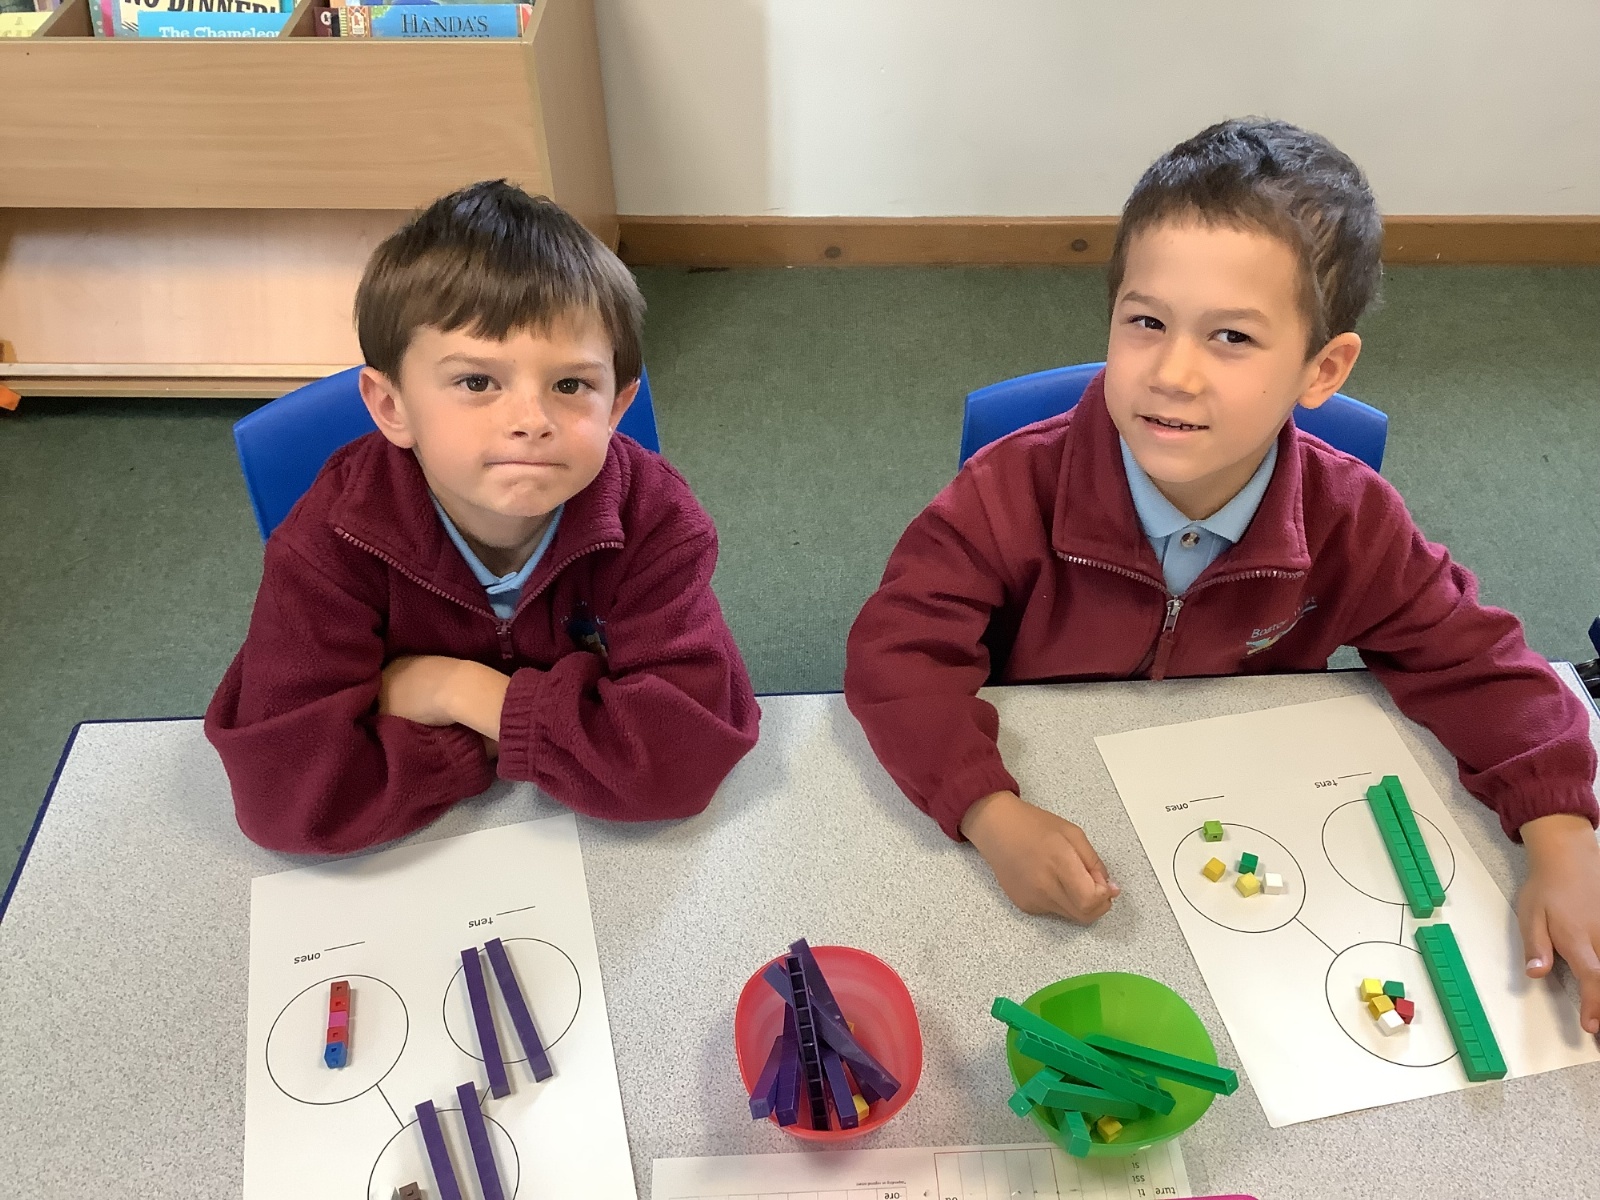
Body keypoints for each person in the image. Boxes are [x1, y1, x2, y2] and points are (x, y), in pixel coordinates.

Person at [844, 118, 1600, 1033]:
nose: (1173, 372)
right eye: (1146, 322)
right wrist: (987, 809)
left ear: (1323, 368)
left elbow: (1480, 662)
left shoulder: (1351, 520)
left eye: (1232, 337)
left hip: (1240, 823)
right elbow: (895, 655)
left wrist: (1562, 834)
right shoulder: (1006, 491)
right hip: (1051, 790)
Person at [207, 180, 759, 854]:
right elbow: (289, 801)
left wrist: (458, 694)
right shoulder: (329, 542)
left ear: (616, 407)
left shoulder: (657, 520)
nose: (531, 420)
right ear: (391, 408)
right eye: (477, 382)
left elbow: (677, 763)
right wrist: (572, 720)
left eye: (571, 384)